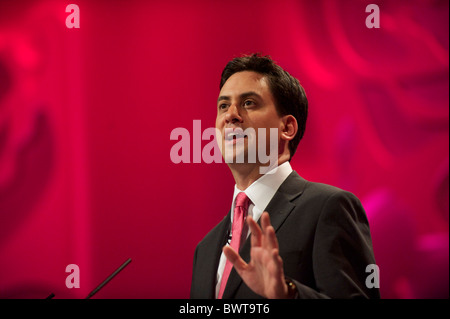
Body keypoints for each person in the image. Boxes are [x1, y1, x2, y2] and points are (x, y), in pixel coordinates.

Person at [190, 53, 380, 299]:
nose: (231, 115)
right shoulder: (205, 249)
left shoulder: (329, 208)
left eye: (249, 103)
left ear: (287, 128)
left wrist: (288, 293)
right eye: (223, 105)